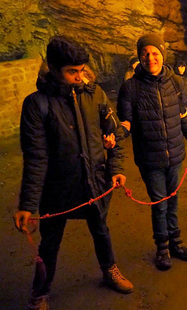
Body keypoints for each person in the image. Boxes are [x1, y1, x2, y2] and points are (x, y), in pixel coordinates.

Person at [13, 36, 133, 310]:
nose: (80, 77)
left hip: (94, 182)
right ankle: (40, 292)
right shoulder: (37, 104)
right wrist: (28, 204)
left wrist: (115, 168)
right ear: (53, 69)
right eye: (72, 72)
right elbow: (36, 157)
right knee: (50, 244)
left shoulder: (95, 94)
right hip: (56, 188)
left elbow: (115, 133)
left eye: (82, 70)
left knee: (101, 230)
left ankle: (109, 269)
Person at [117, 33, 187, 271]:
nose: (150, 58)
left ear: (162, 55)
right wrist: (115, 135)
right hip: (150, 159)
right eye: (145, 54)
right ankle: (163, 248)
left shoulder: (175, 83)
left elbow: (183, 116)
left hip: (176, 155)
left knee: (174, 200)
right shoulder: (130, 88)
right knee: (159, 203)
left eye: (155, 53)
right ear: (139, 57)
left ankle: (176, 242)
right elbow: (125, 122)